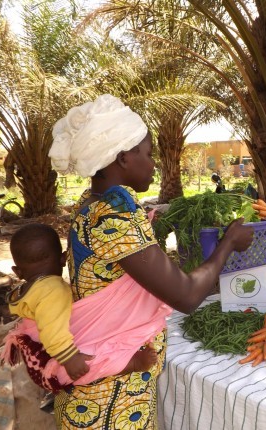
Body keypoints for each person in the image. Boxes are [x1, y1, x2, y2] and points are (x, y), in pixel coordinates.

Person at [46, 94, 253, 429]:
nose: (154, 163)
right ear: (124, 157)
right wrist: (228, 243)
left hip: (103, 381)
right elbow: (186, 295)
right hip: (110, 401)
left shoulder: (92, 204)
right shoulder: (114, 217)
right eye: (149, 153)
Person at [2, 223, 160, 392]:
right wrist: (69, 359)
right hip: (50, 366)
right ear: (64, 259)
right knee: (89, 365)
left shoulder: (30, 288)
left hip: (37, 353)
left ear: (17, 272)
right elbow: (52, 330)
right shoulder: (53, 290)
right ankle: (132, 364)